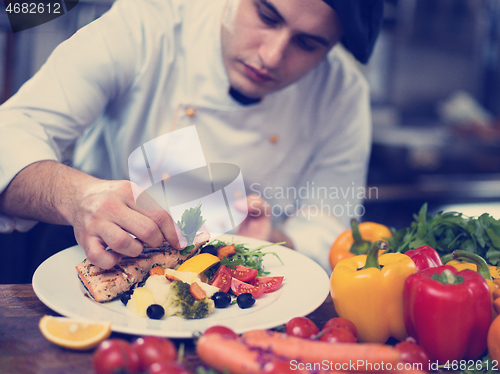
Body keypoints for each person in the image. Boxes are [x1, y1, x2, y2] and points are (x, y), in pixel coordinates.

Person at [0, 0, 383, 273]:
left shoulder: (342, 92)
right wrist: (79, 196)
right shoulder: (149, 22)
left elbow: (332, 227)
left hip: (240, 284)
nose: (271, 56)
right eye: (266, 15)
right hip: (95, 260)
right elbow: (13, 131)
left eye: (307, 43)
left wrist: (274, 239)